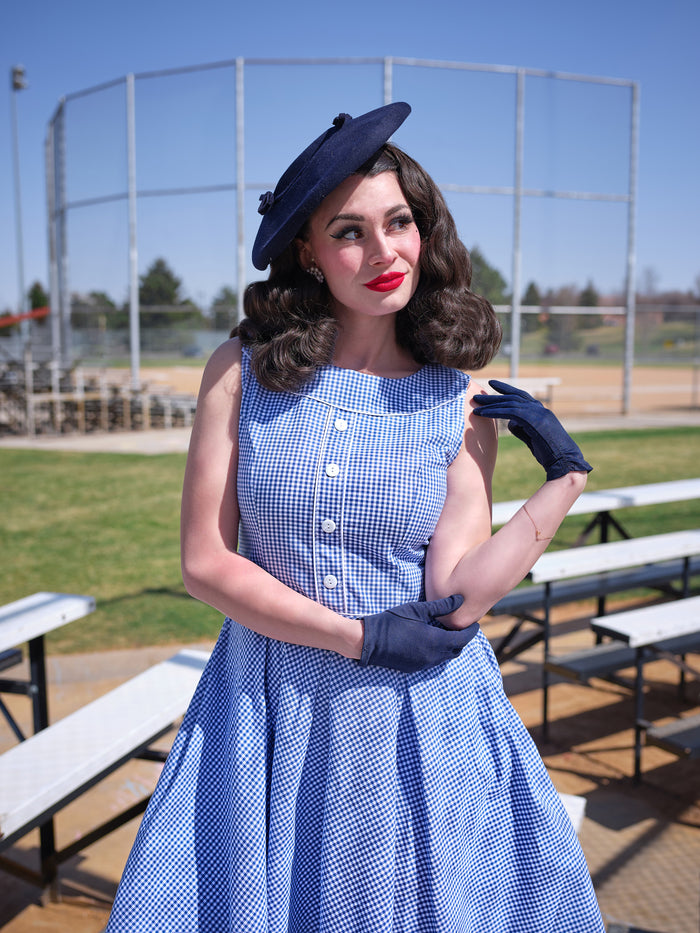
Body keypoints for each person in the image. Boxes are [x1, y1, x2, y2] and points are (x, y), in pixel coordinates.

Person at [106, 102, 603, 932]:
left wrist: (563, 481)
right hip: (267, 710)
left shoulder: (458, 396)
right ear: (308, 249)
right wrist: (360, 637)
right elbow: (204, 561)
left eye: (399, 222)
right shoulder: (242, 370)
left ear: (424, 227)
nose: (384, 253)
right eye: (350, 231)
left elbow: (455, 592)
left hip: (413, 725)